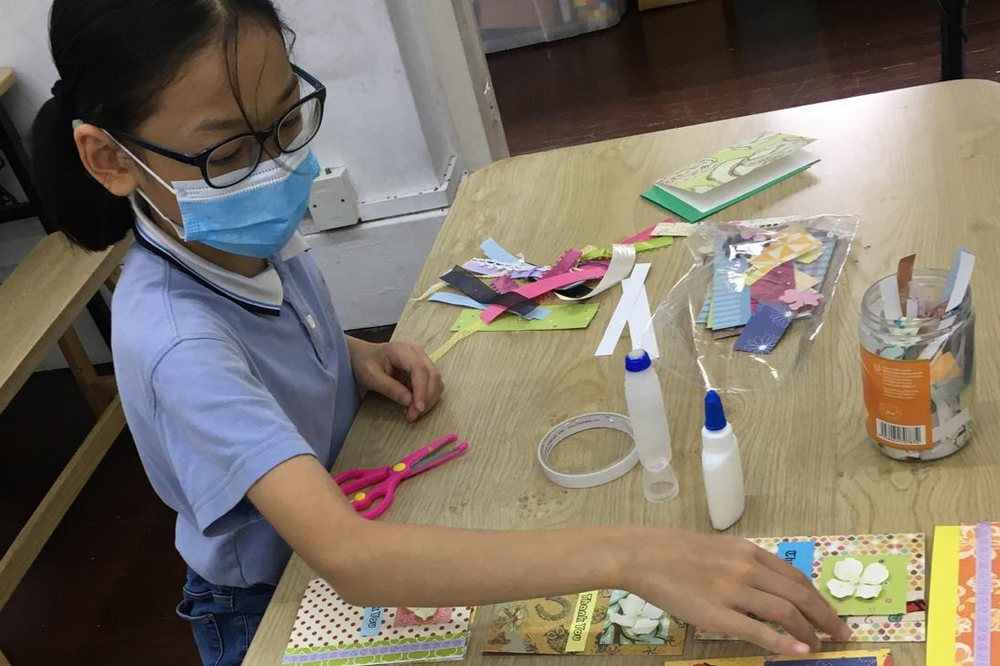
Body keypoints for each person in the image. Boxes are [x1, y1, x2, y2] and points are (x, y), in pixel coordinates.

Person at [31, 2, 850, 665]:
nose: (278, 168)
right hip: (271, 603)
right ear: (110, 160)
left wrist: (352, 354)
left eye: (287, 125)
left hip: (340, 498)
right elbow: (350, 561)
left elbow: (267, 334)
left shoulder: (222, 228)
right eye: (232, 151)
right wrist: (633, 556)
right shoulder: (177, 344)